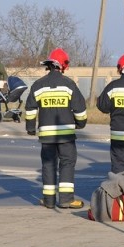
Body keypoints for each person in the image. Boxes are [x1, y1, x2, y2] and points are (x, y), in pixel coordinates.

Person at [24, 48, 88, 209]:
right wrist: (80, 124)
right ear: (63, 65)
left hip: (46, 135)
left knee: (48, 164)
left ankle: (49, 200)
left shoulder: (38, 85)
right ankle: (66, 200)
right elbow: (80, 109)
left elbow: (30, 109)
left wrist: (31, 128)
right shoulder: (69, 84)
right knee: (66, 163)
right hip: (66, 135)